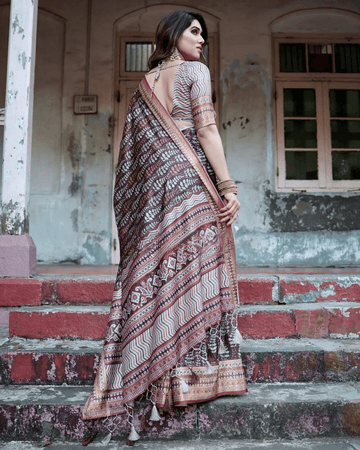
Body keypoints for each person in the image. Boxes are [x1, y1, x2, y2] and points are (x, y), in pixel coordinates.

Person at [82, 9, 247, 445]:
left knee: (161, 277)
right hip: (190, 185)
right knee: (192, 275)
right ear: (173, 34)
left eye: (204, 34)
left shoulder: (143, 85)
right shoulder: (195, 71)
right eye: (195, 31)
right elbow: (207, 130)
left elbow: (131, 161)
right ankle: (186, 379)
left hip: (156, 193)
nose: (202, 40)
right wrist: (228, 186)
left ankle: (156, 377)